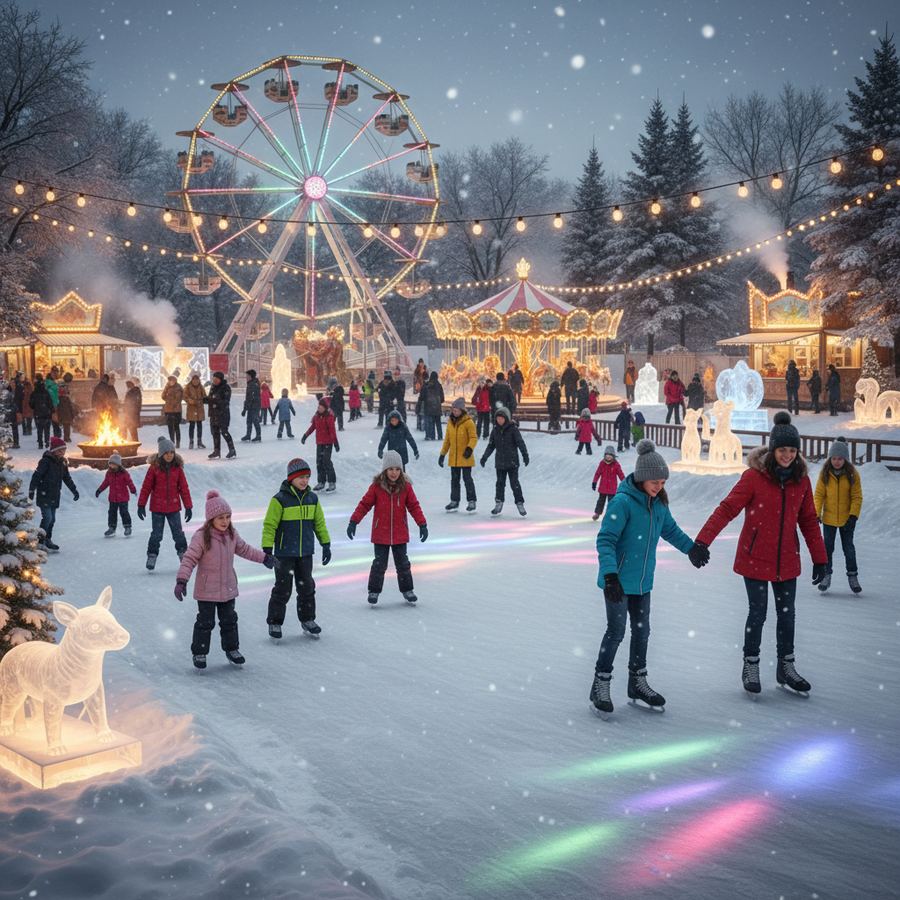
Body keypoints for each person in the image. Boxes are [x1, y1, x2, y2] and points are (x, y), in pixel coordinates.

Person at [694, 413, 827, 696]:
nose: (788, 456)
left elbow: (808, 521)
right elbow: (727, 508)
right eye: (783, 450)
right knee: (758, 613)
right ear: (772, 449)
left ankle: (786, 666)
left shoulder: (801, 482)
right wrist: (703, 541)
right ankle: (751, 664)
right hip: (754, 557)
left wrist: (821, 558)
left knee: (787, 615)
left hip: (787, 559)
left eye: (792, 451)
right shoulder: (754, 478)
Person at [591, 439, 706, 714]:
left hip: (642, 582)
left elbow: (672, 530)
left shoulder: (658, 505)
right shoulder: (622, 503)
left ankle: (637, 682)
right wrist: (610, 576)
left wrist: (691, 549)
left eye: (663, 482)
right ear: (642, 478)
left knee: (642, 632)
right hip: (617, 582)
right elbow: (605, 540)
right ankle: (600, 684)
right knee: (616, 632)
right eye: (654, 481)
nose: (658, 486)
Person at [175, 490, 275, 669]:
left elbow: (245, 550)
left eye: (228, 517)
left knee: (230, 621)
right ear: (211, 518)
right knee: (205, 623)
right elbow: (189, 559)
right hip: (207, 591)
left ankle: (232, 649)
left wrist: (265, 558)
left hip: (228, 589)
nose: (225, 521)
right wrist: (182, 580)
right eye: (220, 517)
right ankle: (199, 652)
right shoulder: (201, 537)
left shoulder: (232, 535)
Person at [262, 457, 331, 639]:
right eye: (301, 477)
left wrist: (326, 544)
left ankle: (307, 619)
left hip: (305, 553)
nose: (304, 481)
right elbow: (270, 525)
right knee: (282, 589)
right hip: (284, 554)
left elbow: (319, 524)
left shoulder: (312, 499)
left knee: (307, 587)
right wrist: (267, 549)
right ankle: (275, 622)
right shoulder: (280, 500)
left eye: (307, 477)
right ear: (291, 478)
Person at [347, 450, 428, 605]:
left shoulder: (406, 487)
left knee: (403, 563)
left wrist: (422, 524)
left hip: (399, 533)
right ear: (385, 470)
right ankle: (374, 591)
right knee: (379, 564)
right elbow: (364, 504)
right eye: (391, 469)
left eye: (397, 469)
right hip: (380, 533)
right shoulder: (377, 487)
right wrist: (354, 521)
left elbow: (414, 506)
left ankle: (407, 590)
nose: (394, 473)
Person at [137, 435, 194, 571]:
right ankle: (152, 555)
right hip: (157, 508)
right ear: (161, 454)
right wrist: (141, 504)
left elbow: (184, 488)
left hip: (174, 508)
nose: (169, 455)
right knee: (156, 534)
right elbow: (146, 487)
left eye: (172, 453)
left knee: (178, 533)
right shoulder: (154, 468)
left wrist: (188, 507)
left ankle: (184, 556)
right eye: (166, 453)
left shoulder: (178, 469)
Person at [814, 437, 863, 594]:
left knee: (848, 549)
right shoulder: (825, 474)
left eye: (840, 459)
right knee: (827, 548)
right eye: (834, 458)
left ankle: (852, 576)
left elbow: (857, 496)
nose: (836, 461)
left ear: (845, 459)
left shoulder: (852, 474)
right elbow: (819, 495)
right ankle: (826, 575)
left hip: (846, 519)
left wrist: (853, 516)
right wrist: (817, 513)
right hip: (828, 519)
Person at [28, 435, 79, 551]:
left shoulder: (62, 462)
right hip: (44, 494)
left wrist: (74, 490)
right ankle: (40, 541)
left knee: (52, 519)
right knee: (47, 518)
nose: (63, 452)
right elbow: (37, 476)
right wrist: (32, 490)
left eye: (64, 450)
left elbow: (67, 478)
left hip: (55, 495)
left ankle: (47, 539)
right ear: (54, 450)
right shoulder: (45, 461)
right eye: (61, 450)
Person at [480, 405, 529, 516]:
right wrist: (484, 457)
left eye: (501, 418)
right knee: (500, 484)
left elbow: (520, 443)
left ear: (506, 418)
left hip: (512, 463)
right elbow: (491, 446)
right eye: (498, 418)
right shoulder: (495, 430)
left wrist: (525, 455)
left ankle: (519, 503)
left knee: (514, 484)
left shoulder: (513, 429)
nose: (499, 420)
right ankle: (499, 503)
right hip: (500, 463)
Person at [439, 397, 477, 512]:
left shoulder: (468, 422)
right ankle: (454, 501)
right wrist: (442, 454)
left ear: (461, 410)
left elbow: (473, 438)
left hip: (465, 457)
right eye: (453, 410)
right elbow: (447, 440)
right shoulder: (450, 423)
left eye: (456, 410)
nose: (454, 412)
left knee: (467, 479)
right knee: (454, 480)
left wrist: (469, 449)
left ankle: (472, 501)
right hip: (454, 458)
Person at [301, 396, 339, 492]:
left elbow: (332, 431)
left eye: (321, 407)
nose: (319, 408)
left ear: (325, 408)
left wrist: (336, 443)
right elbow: (312, 427)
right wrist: (305, 435)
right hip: (319, 443)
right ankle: (321, 482)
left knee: (326, 461)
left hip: (328, 443)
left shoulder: (329, 417)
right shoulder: (316, 417)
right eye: (318, 406)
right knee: (319, 462)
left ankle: (332, 482)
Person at [95, 451, 136, 537]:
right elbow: (105, 483)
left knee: (124, 512)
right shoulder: (109, 473)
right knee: (112, 513)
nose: (111, 465)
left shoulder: (124, 473)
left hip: (123, 498)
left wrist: (133, 490)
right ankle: (112, 528)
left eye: (113, 464)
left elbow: (129, 482)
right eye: (110, 464)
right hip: (113, 498)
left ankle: (127, 527)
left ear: (118, 464)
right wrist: (99, 490)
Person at [206, 372, 236, 459]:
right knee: (215, 433)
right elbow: (211, 399)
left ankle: (232, 450)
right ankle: (217, 451)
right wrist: (205, 399)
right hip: (213, 414)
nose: (214, 381)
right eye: (213, 379)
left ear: (220, 379)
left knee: (224, 432)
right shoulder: (213, 387)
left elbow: (225, 402)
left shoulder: (226, 388)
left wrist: (215, 399)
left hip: (223, 414)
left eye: (216, 379)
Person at [591, 446, 625, 521]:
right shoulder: (602, 463)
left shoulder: (616, 464)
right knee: (600, 501)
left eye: (610, 455)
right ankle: (597, 513)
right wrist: (594, 481)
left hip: (612, 488)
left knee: (611, 502)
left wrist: (624, 482)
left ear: (613, 456)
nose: (608, 457)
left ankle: (609, 514)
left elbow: (620, 474)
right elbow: (597, 473)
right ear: (605, 455)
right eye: (607, 455)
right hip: (603, 487)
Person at [29, 374, 53, 450]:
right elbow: (50, 402)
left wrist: (35, 407)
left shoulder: (34, 392)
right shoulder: (46, 392)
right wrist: (51, 410)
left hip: (38, 413)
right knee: (47, 429)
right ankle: (47, 442)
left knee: (39, 429)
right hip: (47, 413)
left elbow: (31, 404)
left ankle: (40, 443)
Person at [183, 372, 207, 450]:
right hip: (191, 409)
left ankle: (199, 441)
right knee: (192, 425)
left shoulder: (201, 387)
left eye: (197, 380)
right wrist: (190, 401)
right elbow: (185, 396)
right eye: (194, 380)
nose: (196, 381)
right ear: (192, 380)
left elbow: (204, 396)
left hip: (199, 409)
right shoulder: (188, 387)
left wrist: (201, 400)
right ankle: (191, 441)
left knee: (199, 425)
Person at [420, 370, 445, 441]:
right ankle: (440, 436)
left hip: (428, 408)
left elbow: (422, 397)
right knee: (438, 423)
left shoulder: (426, 385)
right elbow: (442, 399)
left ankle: (432, 436)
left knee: (431, 423)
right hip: (437, 408)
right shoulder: (439, 386)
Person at [161, 375, 184, 449]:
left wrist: (170, 400)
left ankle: (178, 442)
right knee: (170, 427)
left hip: (176, 410)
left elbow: (178, 398)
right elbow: (163, 396)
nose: (170, 382)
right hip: (168, 410)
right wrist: (166, 389)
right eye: (169, 380)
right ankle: (172, 442)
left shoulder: (178, 387)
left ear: (175, 380)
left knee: (176, 427)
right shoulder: (167, 387)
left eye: (172, 380)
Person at [241, 369, 262, 442]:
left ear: (251, 376)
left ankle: (258, 436)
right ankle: (248, 435)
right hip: (252, 406)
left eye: (247, 376)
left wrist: (245, 409)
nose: (246, 377)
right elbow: (248, 397)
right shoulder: (251, 383)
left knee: (255, 420)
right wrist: (246, 408)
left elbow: (251, 397)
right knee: (249, 421)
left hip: (254, 406)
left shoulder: (253, 384)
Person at [45, 372, 61, 438]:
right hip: (54, 404)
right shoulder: (53, 385)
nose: (55, 376)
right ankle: (57, 434)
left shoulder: (46, 384)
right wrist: (56, 402)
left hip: (48, 405)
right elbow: (54, 395)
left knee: (52, 420)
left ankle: (55, 433)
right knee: (55, 419)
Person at [3, 381, 19, 448]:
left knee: (10, 429)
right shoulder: (10, 394)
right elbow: (13, 404)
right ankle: (15, 443)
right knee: (13, 429)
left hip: (8, 413)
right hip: (10, 413)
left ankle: (11, 442)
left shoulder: (7, 394)